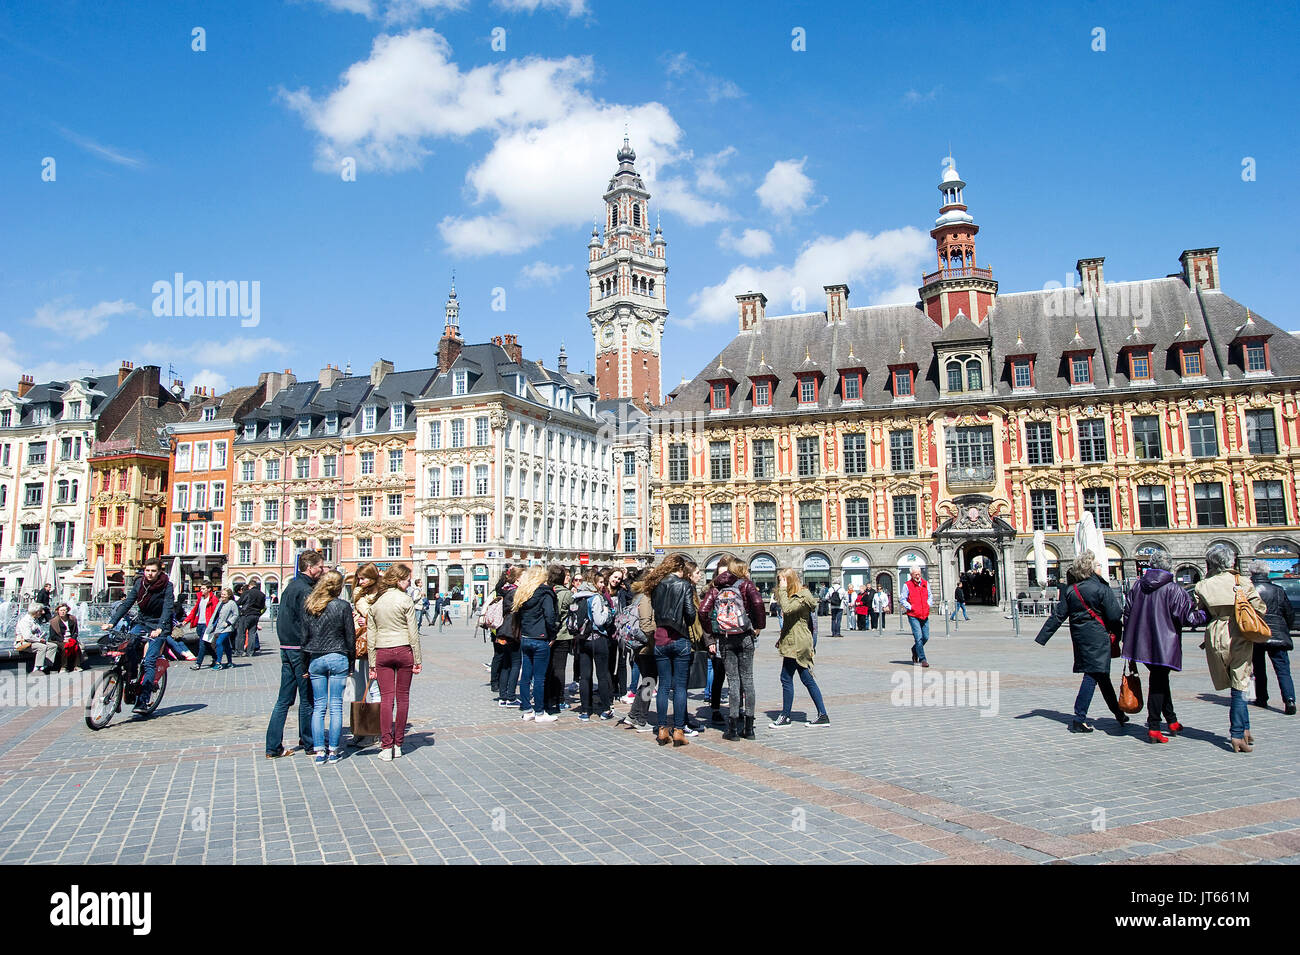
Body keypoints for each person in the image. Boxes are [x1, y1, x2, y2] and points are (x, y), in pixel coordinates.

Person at [1034, 551, 1129, 734]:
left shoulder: (1072, 590)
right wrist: (1120, 635)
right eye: (1098, 564)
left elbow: (1058, 615)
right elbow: (1115, 615)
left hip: (1080, 638)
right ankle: (1079, 718)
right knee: (1093, 675)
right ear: (1091, 568)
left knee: (1101, 676)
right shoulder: (1102, 588)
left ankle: (1118, 713)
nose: (1101, 567)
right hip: (1099, 638)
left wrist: (1042, 637)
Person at [1122, 551, 1208, 742]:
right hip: (1164, 644)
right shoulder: (1174, 589)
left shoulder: (1138, 586)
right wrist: (1205, 615)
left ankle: (1171, 720)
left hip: (1141, 643)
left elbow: (1127, 613)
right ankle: (1153, 726)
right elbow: (1186, 618)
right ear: (1169, 566)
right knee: (1158, 683)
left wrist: (1127, 639)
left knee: (1161, 680)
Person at [1194, 546, 1267, 752]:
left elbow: (1199, 611)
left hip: (1215, 633)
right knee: (1240, 683)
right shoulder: (1242, 582)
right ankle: (1237, 734)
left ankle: (1245, 728)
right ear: (1230, 561)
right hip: (1239, 633)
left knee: (1235, 682)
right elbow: (1261, 608)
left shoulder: (1202, 585)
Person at [699, 556, 767, 740]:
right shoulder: (746, 585)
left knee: (733, 681)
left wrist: (711, 632)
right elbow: (759, 604)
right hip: (746, 636)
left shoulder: (716, 587)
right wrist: (759, 627)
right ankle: (749, 728)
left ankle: (732, 730)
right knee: (748, 680)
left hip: (726, 638)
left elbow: (703, 611)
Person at [264, 551, 325, 758]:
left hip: (286, 647)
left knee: (284, 699)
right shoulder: (306, 590)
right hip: (300, 649)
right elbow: (308, 622)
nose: (322, 570)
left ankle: (273, 747)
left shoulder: (290, 586)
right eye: (320, 567)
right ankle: (308, 742)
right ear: (310, 568)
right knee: (307, 697)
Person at [367, 564, 423, 759]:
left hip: (382, 651)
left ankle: (386, 746)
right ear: (399, 580)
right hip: (404, 649)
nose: (409, 583)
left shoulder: (376, 603)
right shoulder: (406, 600)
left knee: (386, 699)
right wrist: (417, 658)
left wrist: (372, 663)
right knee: (403, 698)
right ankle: (399, 744)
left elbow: (370, 635)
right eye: (407, 579)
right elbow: (413, 632)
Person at [107, 558, 176, 714]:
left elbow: (167, 608)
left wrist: (160, 628)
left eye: (153, 571)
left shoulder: (167, 586)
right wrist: (112, 622)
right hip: (143, 622)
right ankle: (130, 679)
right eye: (147, 570)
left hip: (159, 625)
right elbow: (127, 603)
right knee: (128, 646)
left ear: (159, 572)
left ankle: (143, 700)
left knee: (149, 661)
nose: (150, 574)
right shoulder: (140, 583)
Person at [304, 570, 356, 765]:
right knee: (335, 707)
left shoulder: (311, 605)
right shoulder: (343, 606)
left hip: (316, 658)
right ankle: (333, 750)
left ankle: (319, 751)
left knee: (319, 707)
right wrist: (351, 662)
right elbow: (350, 636)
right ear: (339, 587)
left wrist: (304, 663)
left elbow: (304, 637)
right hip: (338, 657)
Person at [646, 554, 698, 746]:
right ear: (681, 568)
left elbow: (654, 609)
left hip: (660, 639)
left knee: (664, 686)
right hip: (680, 639)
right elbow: (690, 615)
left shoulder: (656, 586)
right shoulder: (684, 585)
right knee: (680, 687)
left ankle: (661, 730)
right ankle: (678, 730)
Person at [771, 569, 830, 727]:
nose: (780, 584)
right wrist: (781, 638)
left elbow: (787, 609)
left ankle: (786, 716)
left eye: (783, 580)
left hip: (798, 642)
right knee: (805, 678)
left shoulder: (802, 595)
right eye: (779, 581)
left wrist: (783, 589)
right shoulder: (794, 595)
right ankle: (822, 715)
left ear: (790, 580)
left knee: (787, 678)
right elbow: (790, 622)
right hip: (793, 640)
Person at [1248, 561, 1296, 716]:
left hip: (1255, 633)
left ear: (1252, 573)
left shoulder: (1247, 590)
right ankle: (1289, 700)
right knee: (1283, 669)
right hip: (1277, 633)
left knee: (1259, 668)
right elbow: (1289, 613)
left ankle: (1262, 698)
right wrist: (1285, 628)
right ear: (1267, 572)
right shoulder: (1278, 590)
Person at [513, 565, 560, 723]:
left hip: (526, 637)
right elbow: (550, 616)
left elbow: (518, 617)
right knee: (539, 678)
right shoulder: (545, 593)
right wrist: (552, 634)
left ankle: (527, 710)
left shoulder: (523, 593)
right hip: (540, 638)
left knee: (526, 676)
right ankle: (539, 712)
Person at [572, 570, 615, 721]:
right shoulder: (595, 597)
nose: (603, 585)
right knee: (602, 675)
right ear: (594, 582)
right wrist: (606, 611)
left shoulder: (577, 596)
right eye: (601, 582)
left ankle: (585, 710)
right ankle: (605, 709)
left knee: (585, 676)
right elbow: (599, 621)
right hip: (597, 639)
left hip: (582, 640)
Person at [347, 562, 381, 748]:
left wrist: (366, 618)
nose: (360, 582)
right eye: (359, 578)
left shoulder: (380, 595)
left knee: (374, 689)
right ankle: (360, 729)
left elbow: (379, 616)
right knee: (358, 689)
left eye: (364, 578)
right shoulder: (359, 595)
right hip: (358, 645)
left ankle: (374, 732)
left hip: (373, 645)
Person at [490, 567, 522, 706]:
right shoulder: (515, 592)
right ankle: (510, 696)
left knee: (506, 663)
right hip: (512, 630)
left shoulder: (504, 589)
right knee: (515, 663)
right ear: (518, 578)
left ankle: (503, 696)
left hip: (504, 629)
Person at [546, 568, 575, 715]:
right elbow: (573, 612)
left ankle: (549, 696)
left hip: (547, 635)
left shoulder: (546, 591)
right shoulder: (567, 593)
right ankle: (560, 698)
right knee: (560, 668)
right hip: (563, 635)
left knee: (549, 667)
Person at [902, 566, 933, 666]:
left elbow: (930, 595)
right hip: (913, 615)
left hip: (924, 613)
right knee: (918, 637)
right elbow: (902, 599)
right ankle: (923, 659)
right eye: (915, 574)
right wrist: (911, 607)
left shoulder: (925, 583)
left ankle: (915, 649)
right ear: (911, 575)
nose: (918, 575)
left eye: (919, 573)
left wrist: (928, 604)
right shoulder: (907, 585)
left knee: (926, 637)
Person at [17, 603, 57, 673]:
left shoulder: (35, 620)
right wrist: (39, 640)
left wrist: (41, 636)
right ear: (36, 612)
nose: (43, 612)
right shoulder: (25, 621)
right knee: (42, 647)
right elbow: (27, 636)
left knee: (53, 646)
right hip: (25, 643)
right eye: (41, 611)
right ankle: (37, 668)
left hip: (34, 642)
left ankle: (46, 665)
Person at [209, 588, 239, 670]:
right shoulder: (220, 603)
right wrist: (211, 625)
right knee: (226, 645)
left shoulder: (232, 603)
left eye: (224, 594)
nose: (222, 596)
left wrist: (229, 622)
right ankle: (230, 662)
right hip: (219, 627)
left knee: (219, 642)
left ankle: (218, 663)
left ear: (229, 595)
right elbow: (215, 615)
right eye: (222, 594)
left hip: (227, 628)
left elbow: (236, 615)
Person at [48, 603, 83, 671]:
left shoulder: (72, 619)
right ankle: (64, 666)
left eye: (64, 610)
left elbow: (75, 632)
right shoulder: (54, 621)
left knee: (76, 646)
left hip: (70, 638)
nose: (62, 612)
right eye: (61, 610)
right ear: (58, 611)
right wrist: (63, 640)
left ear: (67, 611)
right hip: (58, 639)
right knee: (65, 647)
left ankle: (77, 666)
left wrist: (72, 639)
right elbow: (53, 635)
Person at [236, 581, 265, 656]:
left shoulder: (247, 592)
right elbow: (262, 606)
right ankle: (250, 652)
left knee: (241, 633)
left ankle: (240, 651)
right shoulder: (262, 594)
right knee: (252, 633)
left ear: (249, 586)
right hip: (256, 615)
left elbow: (239, 602)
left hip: (246, 614)